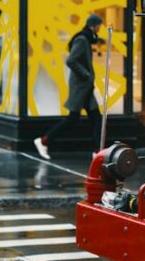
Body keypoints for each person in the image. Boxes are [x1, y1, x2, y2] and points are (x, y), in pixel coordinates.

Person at [34, 14, 103, 159]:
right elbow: (71, 60)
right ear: (93, 26)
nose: (99, 29)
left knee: (96, 119)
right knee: (73, 119)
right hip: (81, 87)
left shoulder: (86, 39)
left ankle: (97, 151)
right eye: (98, 26)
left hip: (86, 87)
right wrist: (85, 74)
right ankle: (43, 141)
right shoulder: (82, 40)